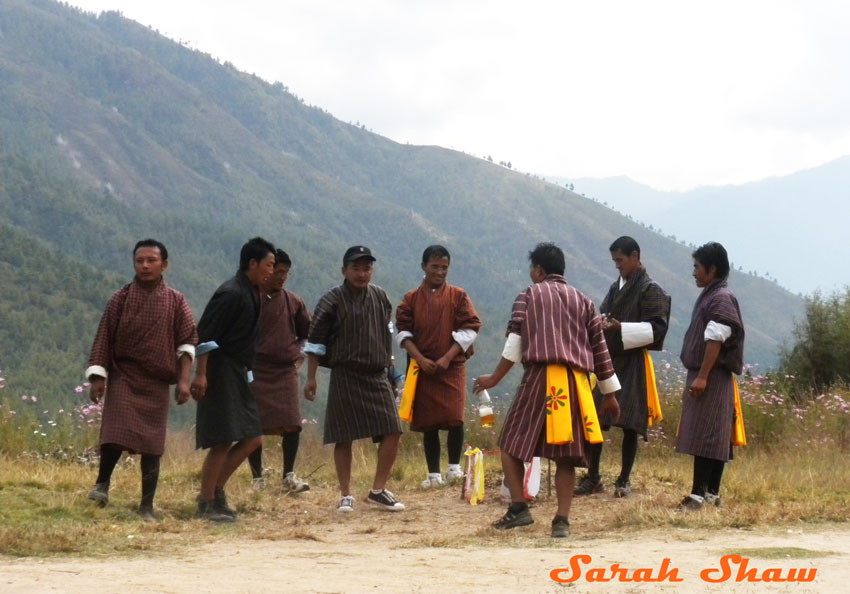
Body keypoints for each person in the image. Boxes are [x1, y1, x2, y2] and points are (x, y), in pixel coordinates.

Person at [475, 243, 621, 538]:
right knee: (566, 455)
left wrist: (494, 379)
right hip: (575, 383)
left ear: (539, 270)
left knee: (511, 442)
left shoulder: (528, 295)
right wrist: (610, 394)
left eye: (532, 270)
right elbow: (600, 349)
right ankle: (562, 521)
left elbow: (515, 345)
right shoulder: (584, 301)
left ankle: (519, 508)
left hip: (540, 378)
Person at [85, 239, 197, 522]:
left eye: (151, 260)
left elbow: (187, 344)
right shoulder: (119, 299)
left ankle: (146, 505)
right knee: (114, 433)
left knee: (152, 445)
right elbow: (104, 339)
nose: (145, 265)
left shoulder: (176, 300)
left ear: (164, 265)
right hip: (125, 374)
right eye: (139, 261)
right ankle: (102, 485)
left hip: (157, 381)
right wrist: (98, 377)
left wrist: (183, 382)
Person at [303, 246, 404, 513]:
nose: (362, 274)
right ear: (344, 271)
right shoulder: (332, 300)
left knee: (393, 429)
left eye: (367, 268)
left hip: (376, 374)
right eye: (356, 268)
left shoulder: (380, 296)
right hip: (345, 373)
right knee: (343, 436)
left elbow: (386, 335)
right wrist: (311, 378)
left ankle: (378, 490)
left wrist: (392, 372)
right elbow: (315, 343)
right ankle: (345, 494)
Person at [575, 236, 671, 497]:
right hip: (609, 358)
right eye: (614, 261)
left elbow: (658, 328)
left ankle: (624, 480)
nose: (617, 266)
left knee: (630, 422)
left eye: (620, 260)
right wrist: (602, 323)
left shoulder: (651, 290)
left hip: (634, 360)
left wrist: (622, 328)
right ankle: (593, 476)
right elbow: (604, 312)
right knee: (595, 416)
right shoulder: (615, 287)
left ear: (635, 256)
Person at [191, 237, 276, 522]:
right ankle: (206, 501)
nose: (271, 271)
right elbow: (205, 335)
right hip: (220, 369)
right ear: (252, 263)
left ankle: (215, 489)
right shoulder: (230, 293)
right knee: (223, 439)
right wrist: (201, 374)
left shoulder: (251, 291)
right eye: (268, 264)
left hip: (238, 371)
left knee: (253, 437)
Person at [396, 245, 481, 487]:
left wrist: (447, 357)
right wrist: (420, 359)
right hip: (423, 367)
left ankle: (454, 468)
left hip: (451, 366)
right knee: (428, 421)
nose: (440, 272)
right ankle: (433, 474)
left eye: (444, 267)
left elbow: (470, 329)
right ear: (424, 267)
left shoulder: (458, 296)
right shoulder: (411, 299)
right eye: (435, 267)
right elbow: (403, 332)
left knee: (455, 417)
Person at [676, 242, 745, 510]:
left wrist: (703, 376)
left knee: (707, 434)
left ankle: (698, 495)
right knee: (713, 434)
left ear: (712, 269)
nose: (693, 272)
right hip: (710, 375)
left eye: (697, 267)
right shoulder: (713, 295)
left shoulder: (720, 298)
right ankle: (711, 495)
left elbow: (716, 338)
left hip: (712, 376)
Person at [247, 249, 312, 493]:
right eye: (277, 271)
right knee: (255, 425)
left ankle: (289, 475)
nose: (282, 276)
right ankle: (257, 479)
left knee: (292, 423)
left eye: (286, 272)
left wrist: (299, 358)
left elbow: (307, 334)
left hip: (285, 370)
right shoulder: (251, 298)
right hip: (257, 369)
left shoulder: (293, 301)